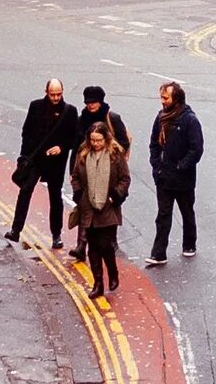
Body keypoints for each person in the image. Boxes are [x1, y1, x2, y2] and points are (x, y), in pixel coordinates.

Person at [9, 79, 80, 247]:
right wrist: (23, 157)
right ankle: (15, 230)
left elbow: (74, 137)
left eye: (59, 94)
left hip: (56, 162)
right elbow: (26, 133)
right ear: (46, 92)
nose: (56, 97)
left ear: (63, 91)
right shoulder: (35, 106)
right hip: (36, 159)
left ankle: (56, 235)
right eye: (52, 94)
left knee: (55, 197)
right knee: (25, 191)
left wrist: (61, 147)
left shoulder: (70, 111)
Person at [145, 80, 206, 264]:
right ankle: (158, 254)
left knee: (187, 212)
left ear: (176, 99)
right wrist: (156, 166)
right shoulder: (160, 117)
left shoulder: (190, 120)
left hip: (183, 178)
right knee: (163, 215)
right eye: (161, 97)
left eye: (165, 98)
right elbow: (154, 144)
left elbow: (196, 149)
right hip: (164, 177)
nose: (162, 101)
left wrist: (181, 166)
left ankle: (189, 244)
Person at [72, 119, 130, 303]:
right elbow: (75, 177)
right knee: (93, 247)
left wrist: (116, 195)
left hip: (108, 207)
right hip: (88, 206)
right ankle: (98, 284)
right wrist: (78, 192)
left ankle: (113, 273)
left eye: (99, 140)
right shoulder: (83, 154)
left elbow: (125, 179)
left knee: (106, 245)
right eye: (93, 140)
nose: (95, 144)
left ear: (106, 139)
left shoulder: (115, 155)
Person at [69, 85, 124, 257]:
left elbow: (123, 141)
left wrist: (111, 153)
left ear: (101, 102)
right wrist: (73, 170)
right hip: (87, 166)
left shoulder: (111, 118)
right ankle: (81, 246)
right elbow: (76, 146)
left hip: (109, 168)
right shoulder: (81, 119)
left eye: (94, 102)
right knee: (85, 207)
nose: (91, 105)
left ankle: (111, 240)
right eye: (88, 102)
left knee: (110, 206)